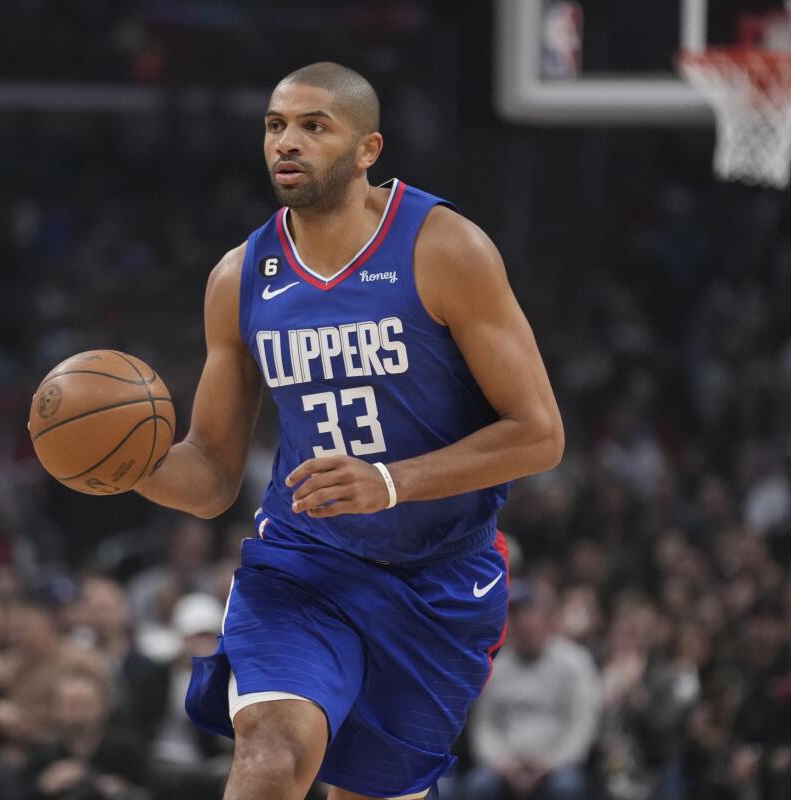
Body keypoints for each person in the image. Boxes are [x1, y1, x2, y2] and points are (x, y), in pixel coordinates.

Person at [129, 62, 565, 800]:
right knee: (269, 751)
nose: (286, 143)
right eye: (274, 126)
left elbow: (538, 433)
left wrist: (391, 482)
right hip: (305, 564)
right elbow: (208, 477)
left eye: (313, 126)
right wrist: (125, 469)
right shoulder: (240, 278)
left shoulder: (443, 247)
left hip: (439, 579)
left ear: (369, 149)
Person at [463, 580, 600, 800]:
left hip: (557, 766)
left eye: (529, 612)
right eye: (515, 615)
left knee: (566, 788)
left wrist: (551, 763)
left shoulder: (575, 662)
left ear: (547, 618)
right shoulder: (497, 666)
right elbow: (485, 724)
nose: (521, 622)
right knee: (479, 785)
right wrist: (502, 763)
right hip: (505, 766)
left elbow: (582, 724)